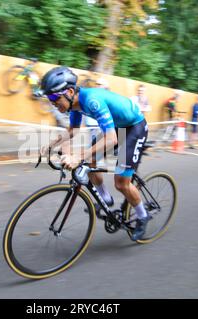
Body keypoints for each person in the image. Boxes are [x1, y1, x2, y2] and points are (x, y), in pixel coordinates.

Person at [39, 66, 150, 241]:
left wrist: (77, 156)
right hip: (118, 128)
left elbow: (111, 139)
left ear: (69, 91)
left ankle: (143, 216)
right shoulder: (74, 105)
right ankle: (105, 198)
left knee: (121, 183)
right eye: (49, 98)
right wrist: (52, 144)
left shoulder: (91, 100)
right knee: (90, 161)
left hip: (134, 127)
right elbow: (73, 130)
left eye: (54, 97)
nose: (52, 102)